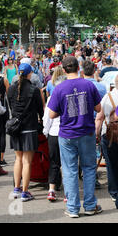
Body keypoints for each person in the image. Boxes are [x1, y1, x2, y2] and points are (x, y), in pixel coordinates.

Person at [48, 56, 103, 218]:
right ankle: (90, 205)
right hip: (86, 131)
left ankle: (72, 208)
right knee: (89, 168)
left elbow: (51, 114)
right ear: (78, 68)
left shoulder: (59, 88)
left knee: (69, 170)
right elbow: (98, 108)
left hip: (67, 133)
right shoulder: (88, 84)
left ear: (64, 70)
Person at [95, 72, 118, 206]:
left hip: (109, 134)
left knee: (111, 165)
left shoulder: (107, 96)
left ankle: (114, 191)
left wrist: (97, 134)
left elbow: (99, 118)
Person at [8, 63, 44, 201]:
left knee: (18, 159)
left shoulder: (11, 89)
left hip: (16, 127)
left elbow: (12, 107)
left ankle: (16, 188)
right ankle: (25, 191)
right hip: (30, 127)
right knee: (27, 161)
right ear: (30, 74)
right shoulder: (33, 90)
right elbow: (40, 110)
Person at [43, 73, 66, 202]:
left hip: (53, 133)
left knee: (54, 163)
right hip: (67, 132)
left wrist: (46, 131)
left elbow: (47, 118)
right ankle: (68, 192)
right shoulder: (69, 96)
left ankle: (51, 190)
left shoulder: (51, 98)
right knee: (68, 164)